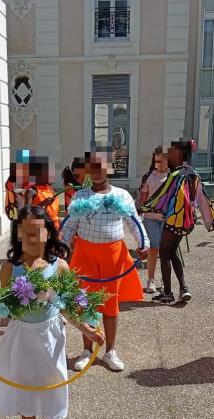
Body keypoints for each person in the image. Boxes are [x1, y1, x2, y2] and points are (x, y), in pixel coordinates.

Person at [0, 205, 105, 419]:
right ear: (18, 234)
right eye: (26, 232)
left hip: (50, 335)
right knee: (25, 383)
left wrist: (86, 329)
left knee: (52, 383)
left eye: (38, 231)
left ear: (48, 232)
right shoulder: (9, 268)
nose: (32, 237)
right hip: (21, 335)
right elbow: (4, 307)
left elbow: (67, 306)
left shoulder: (59, 266)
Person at [61, 148, 149, 372]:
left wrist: (143, 243)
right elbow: (70, 225)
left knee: (110, 303)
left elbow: (134, 222)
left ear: (110, 168)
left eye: (102, 166)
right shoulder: (80, 196)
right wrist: (61, 245)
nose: (97, 170)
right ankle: (87, 350)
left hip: (113, 256)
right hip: (85, 255)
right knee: (85, 302)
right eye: (93, 166)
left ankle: (110, 351)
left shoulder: (122, 195)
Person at [140, 139, 199, 304]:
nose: (170, 155)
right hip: (182, 220)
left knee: (166, 253)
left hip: (172, 219)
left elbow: (162, 197)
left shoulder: (175, 175)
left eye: (172, 152)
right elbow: (196, 199)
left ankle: (168, 292)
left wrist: (146, 208)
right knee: (171, 252)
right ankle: (183, 289)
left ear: (178, 154)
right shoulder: (191, 172)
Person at [137, 147, 170, 293]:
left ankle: (165, 280)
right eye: (157, 161)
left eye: (162, 160)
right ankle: (151, 279)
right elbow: (143, 197)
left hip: (167, 218)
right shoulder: (149, 176)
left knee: (166, 250)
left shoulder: (172, 176)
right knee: (154, 248)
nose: (159, 164)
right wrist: (143, 212)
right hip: (151, 218)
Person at [24, 157, 60, 230]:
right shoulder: (31, 191)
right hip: (40, 230)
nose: (51, 175)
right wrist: (42, 204)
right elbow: (25, 212)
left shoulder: (50, 189)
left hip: (55, 229)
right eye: (48, 172)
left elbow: (54, 214)